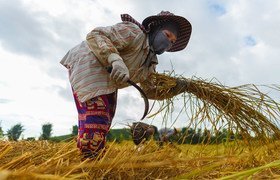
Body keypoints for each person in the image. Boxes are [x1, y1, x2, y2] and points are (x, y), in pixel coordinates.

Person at [60, 11, 192, 160]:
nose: (168, 43)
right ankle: (90, 162)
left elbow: (148, 92)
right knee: (98, 116)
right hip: (90, 63)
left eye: (172, 42)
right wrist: (115, 59)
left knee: (104, 120)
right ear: (155, 29)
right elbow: (96, 35)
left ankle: (89, 158)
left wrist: (175, 90)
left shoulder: (150, 62)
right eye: (167, 35)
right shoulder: (134, 32)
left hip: (109, 80)